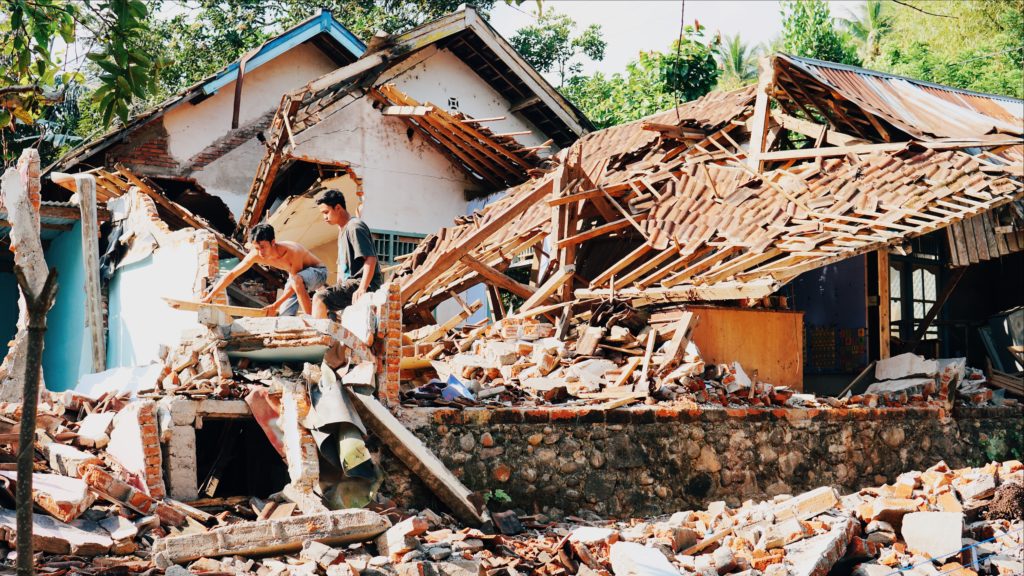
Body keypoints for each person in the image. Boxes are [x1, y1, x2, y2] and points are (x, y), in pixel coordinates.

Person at [200, 224, 328, 316]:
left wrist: (275, 305)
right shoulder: (255, 254)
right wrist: (210, 297)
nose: (260, 252)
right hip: (296, 280)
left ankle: (312, 321)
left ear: (273, 242)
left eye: (262, 247)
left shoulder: (292, 251)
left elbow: (296, 283)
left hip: (318, 273)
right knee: (284, 316)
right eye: (256, 247)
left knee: (294, 281)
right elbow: (232, 274)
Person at [312, 190, 382, 319]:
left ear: (338, 207)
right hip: (350, 283)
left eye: (326, 212)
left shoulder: (354, 227)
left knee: (319, 298)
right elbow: (342, 266)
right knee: (320, 292)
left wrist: (362, 288)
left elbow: (370, 259)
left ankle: (318, 339)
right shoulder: (342, 230)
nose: (324, 217)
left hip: (363, 283)